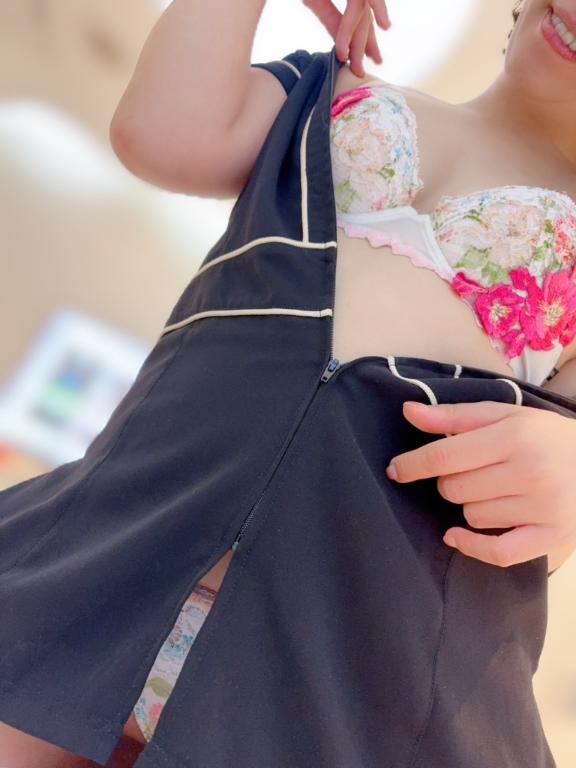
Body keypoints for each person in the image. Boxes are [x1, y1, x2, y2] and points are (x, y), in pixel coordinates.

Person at [1, 0, 576, 765]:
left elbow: (549, 524)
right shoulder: (324, 91)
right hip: (108, 570)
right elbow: (159, 134)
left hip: (341, 682)